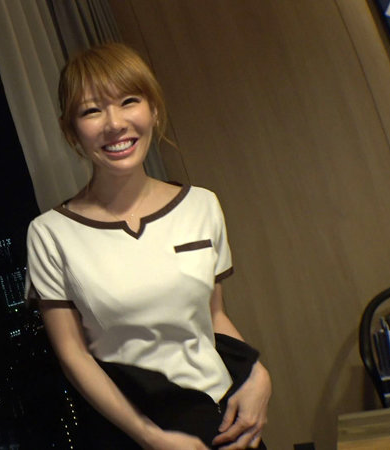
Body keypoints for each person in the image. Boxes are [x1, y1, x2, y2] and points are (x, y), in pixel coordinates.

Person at [25, 43, 271, 449]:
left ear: (153, 109)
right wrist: (150, 437)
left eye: (129, 101)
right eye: (92, 111)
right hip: (136, 429)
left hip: (222, 418)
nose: (114, 123)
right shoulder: (50, 234)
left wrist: (257, 374)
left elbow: (213, 317)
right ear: (71, 130)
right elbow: (73, 356)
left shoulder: (201, 205)